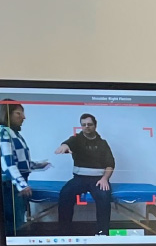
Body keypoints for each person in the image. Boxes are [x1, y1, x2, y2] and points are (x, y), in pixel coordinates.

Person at [55, 113, 115, 236]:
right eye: (83, 125)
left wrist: (105, 179)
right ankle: (64, 233)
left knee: (104, 197)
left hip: (98, 180)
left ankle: (102, 233)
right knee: (65, 194)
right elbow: (67, 143)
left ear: (95, 126)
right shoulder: (76, 139)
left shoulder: (103, 143)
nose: (86, 127)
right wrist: (64, 146)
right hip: (79, 179)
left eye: (89, 124)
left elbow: (110, 164)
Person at [0, 100, 48, 236]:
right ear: (7, 114)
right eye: (18, 113)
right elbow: (7, 163)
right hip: (9, 186)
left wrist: (37, 165)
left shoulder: (14, 133)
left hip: (14, 184)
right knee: (13, 223)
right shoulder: (4, 133)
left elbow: (18, 160)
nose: (23, 117)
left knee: (17, 220)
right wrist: (22, 185)